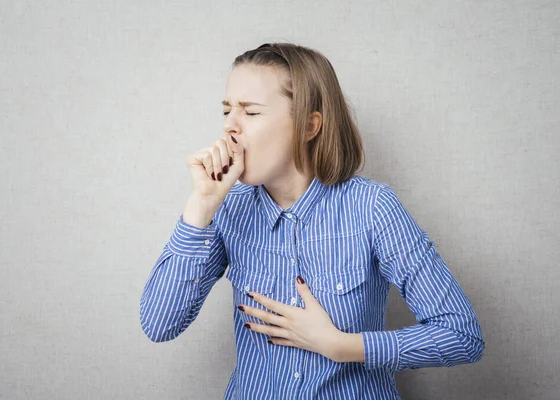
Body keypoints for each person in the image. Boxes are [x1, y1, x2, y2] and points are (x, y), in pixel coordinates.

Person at [139, 42, 485, 399]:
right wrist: (201, 206)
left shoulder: (373, 207)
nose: (230, 128)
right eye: (227, 111)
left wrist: (341, 346)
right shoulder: (228, 208)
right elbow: (159, 324)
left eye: (251, 113)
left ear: (309, 126)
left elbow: (461, 335)